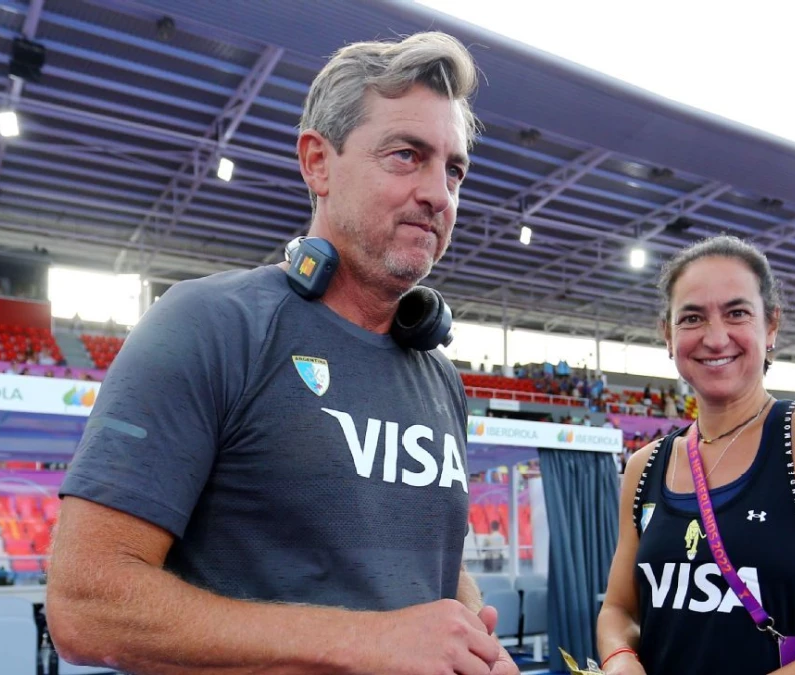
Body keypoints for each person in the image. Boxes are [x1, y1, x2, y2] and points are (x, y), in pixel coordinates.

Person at [46, 32, 519, 675]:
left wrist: (467, 632)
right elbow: (86, 606)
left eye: (454, 168)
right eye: (407, 156)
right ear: (317, 163)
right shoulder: (207, 325)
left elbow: (422, 556)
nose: (439, 193)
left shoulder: (438, 376)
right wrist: (368, 642)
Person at [595, 235, 795, 674]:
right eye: (692, 318)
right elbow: (620, 609)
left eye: (737, 313)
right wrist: (620, 657)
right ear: (668, 334)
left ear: (771, 326)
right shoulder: (645, 467)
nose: (715, 337)